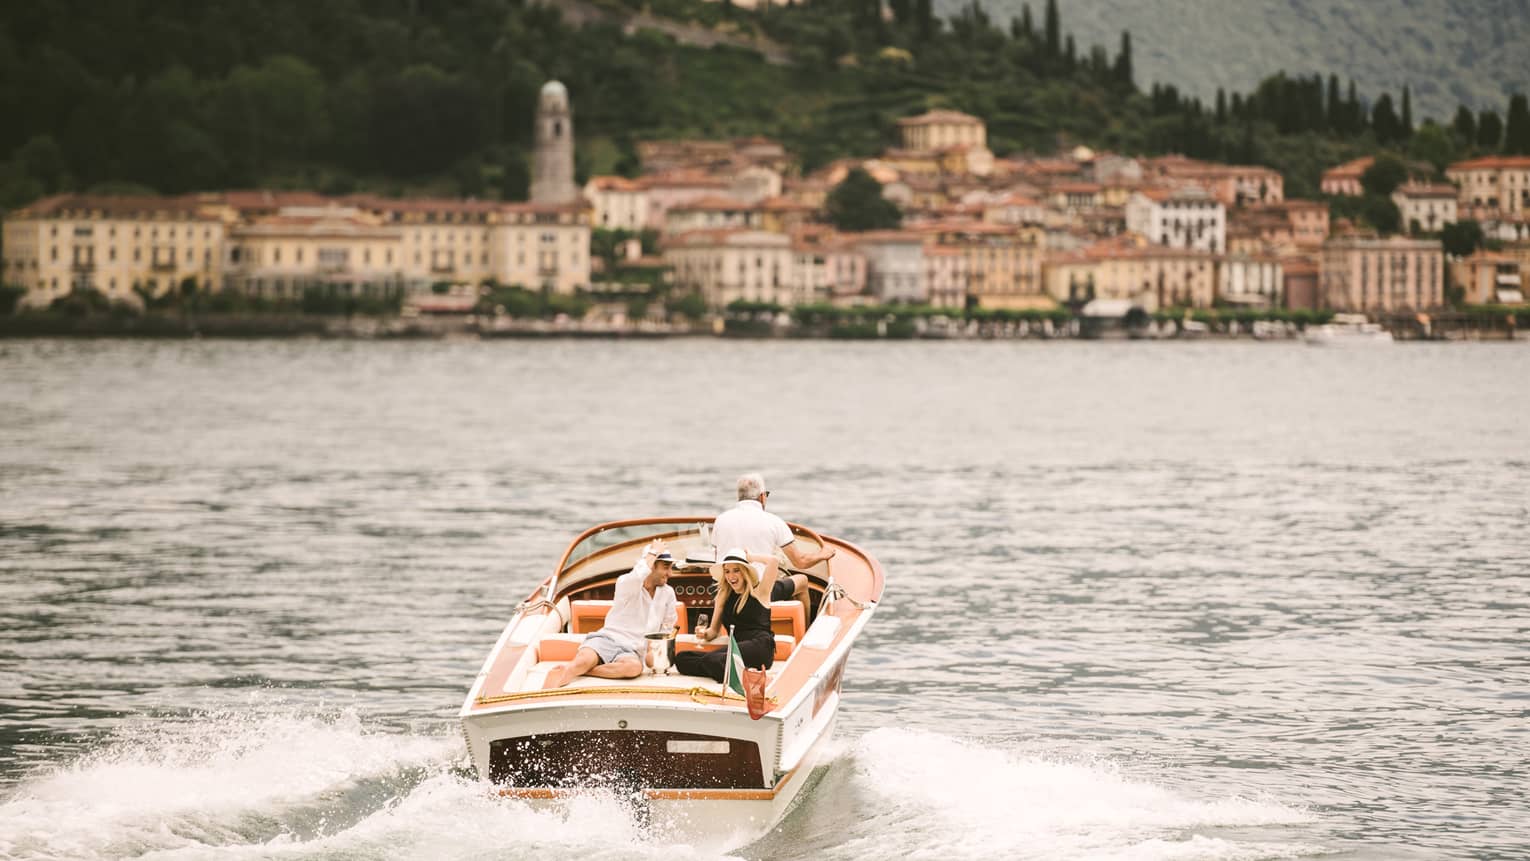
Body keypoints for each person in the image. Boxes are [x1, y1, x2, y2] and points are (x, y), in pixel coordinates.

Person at [547, 539, 677, 688]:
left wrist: (653, 651)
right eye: (666, 567)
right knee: (582, 661)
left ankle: (586, 671)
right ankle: (554, 687)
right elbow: (638, 575)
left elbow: (667, 627)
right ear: (651, 566)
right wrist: (653, 552)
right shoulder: (626, 583)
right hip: (606, 639)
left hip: (633, 651)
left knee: (634, 669)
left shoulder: (668, 593)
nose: (670, 574)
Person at [711, 473, 835, 621]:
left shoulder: (720, 520)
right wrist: (823, 554)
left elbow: (717, 557)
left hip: (725, 591)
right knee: (802, 580)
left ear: (739, 497)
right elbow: (800, 562)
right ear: (762, 496)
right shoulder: (774, 522)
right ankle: (806, 630)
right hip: (759, 593)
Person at [674, 549, 778, 683]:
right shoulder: (723, 596)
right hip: (736, 649)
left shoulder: (760, 591)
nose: (731, 576)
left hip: (760, 647)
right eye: (727, 571)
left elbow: (773, 561)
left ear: (745, 572)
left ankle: (743, 677)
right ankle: (737, 673)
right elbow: (713, 632)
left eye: (736, 570)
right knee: (682, 658)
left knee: (713, 660)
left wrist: (750, 557)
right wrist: (703, 633)